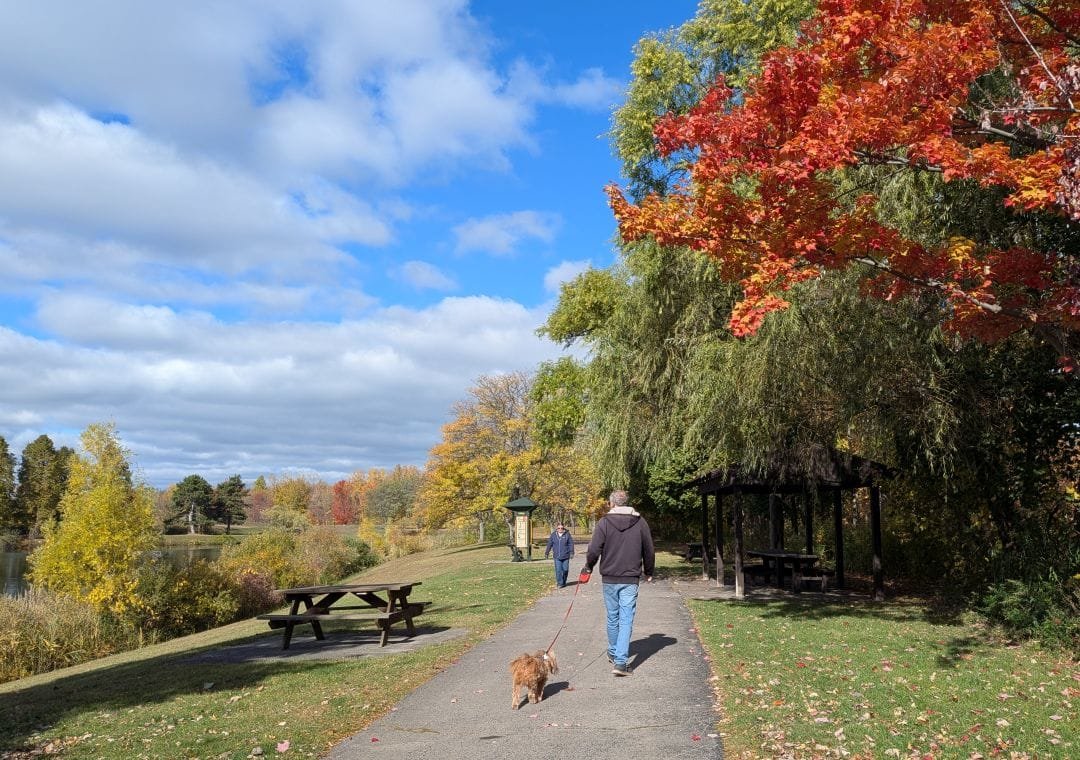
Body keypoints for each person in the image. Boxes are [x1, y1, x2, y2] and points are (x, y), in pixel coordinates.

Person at [580, 489, 654, 676]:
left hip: (610, 577)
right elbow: (649, 549)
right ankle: (620, 662)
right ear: (627, 503)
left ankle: (614, 653)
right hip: (630, 578)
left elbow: (594, 549)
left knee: (613, 617)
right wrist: (649, 571)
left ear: (612, 503)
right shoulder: (640, 522)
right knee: (626, 618)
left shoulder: (604, 523)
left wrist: (588, 566)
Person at [544, 522, 574, 588]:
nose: (560, 529)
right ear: (556, 529)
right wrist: (547, 553)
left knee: (565, 570)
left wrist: (572, 552)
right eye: (559, 528)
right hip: (557, 556)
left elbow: (571, 544)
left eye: (562, 528)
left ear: (563, 528)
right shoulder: (553, 535)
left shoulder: (567, 535)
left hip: (565, 556)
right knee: (558, 570)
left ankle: (564, 581)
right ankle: (560, 583)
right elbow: (549, 544)